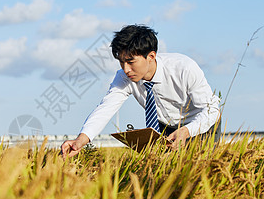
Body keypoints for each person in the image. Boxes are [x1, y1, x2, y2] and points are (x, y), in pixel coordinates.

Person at [61, 25, 221, 158]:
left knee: (201, 172)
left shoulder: (184, 68)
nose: (126, 69)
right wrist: (80, 140)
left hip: (200, 123)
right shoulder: (123, 77)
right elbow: (105, 109)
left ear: (151, 56)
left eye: (130, 62)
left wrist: (187, 131)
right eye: (121, 62)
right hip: (164, 127)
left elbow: (211, 110)